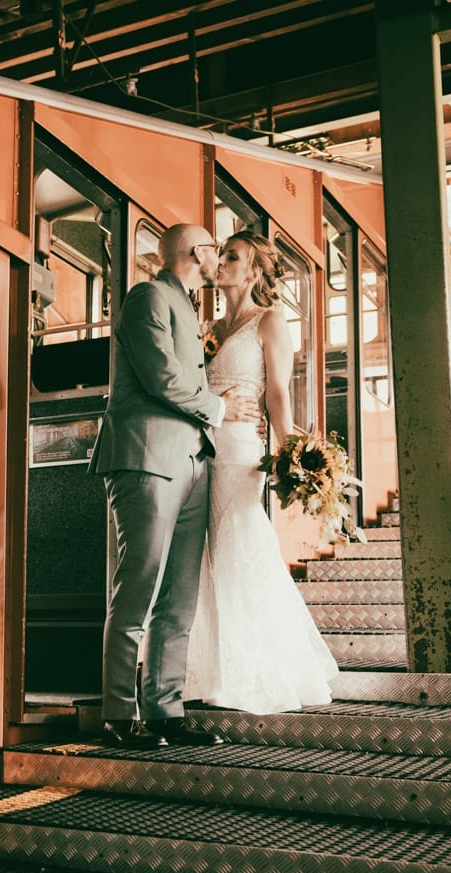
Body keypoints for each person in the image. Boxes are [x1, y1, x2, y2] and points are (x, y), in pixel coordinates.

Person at [88, 223, 260, 749]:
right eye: (214, 248)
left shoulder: (184, 306)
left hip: (193, 462)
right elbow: (160, 374)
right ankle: (119, 713)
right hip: (146, 460)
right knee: (137, 586)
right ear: (196, 252)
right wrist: (219, 407)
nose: (217, 258)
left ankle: (165, 710)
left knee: (179, 595)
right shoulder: (148, 297)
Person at [184, 230, 338, 713]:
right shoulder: (207, 326)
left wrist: (289, 449)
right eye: (222, 255)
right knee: (206, 554)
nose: (222, 262)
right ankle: (213, 673)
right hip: (199, 450)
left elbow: (276, 390)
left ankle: (256, 671)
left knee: (240, 545)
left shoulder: (269, 321)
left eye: (232, 256)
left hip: (239, 450)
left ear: (253, 270)